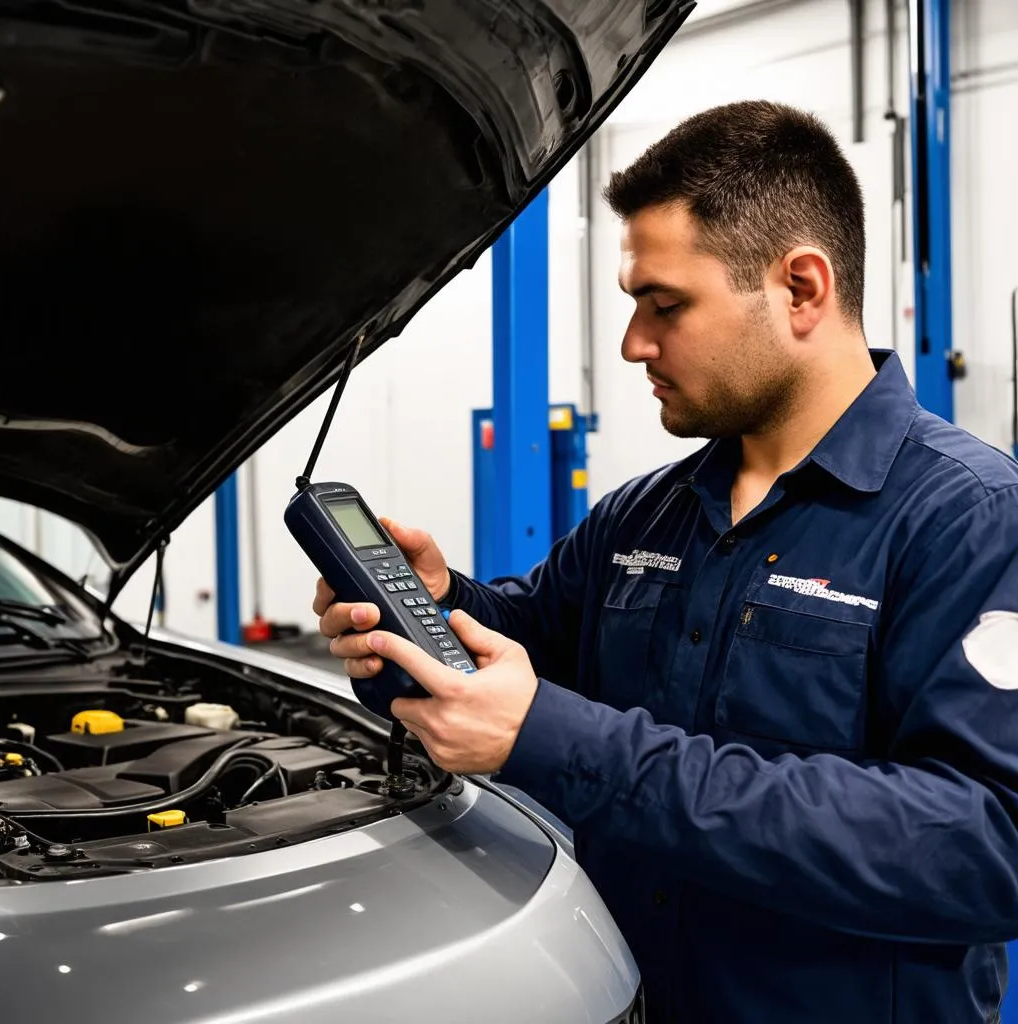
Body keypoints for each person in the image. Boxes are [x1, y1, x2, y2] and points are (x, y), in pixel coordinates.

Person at [313, 100, 1018, 1022]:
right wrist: (430, 608)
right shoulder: (649, 512)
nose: (633, 344)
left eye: (665, 305)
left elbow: (985, 846)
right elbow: (531, 644)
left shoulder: (968, 517)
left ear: (801, 288)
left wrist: (565, 745)